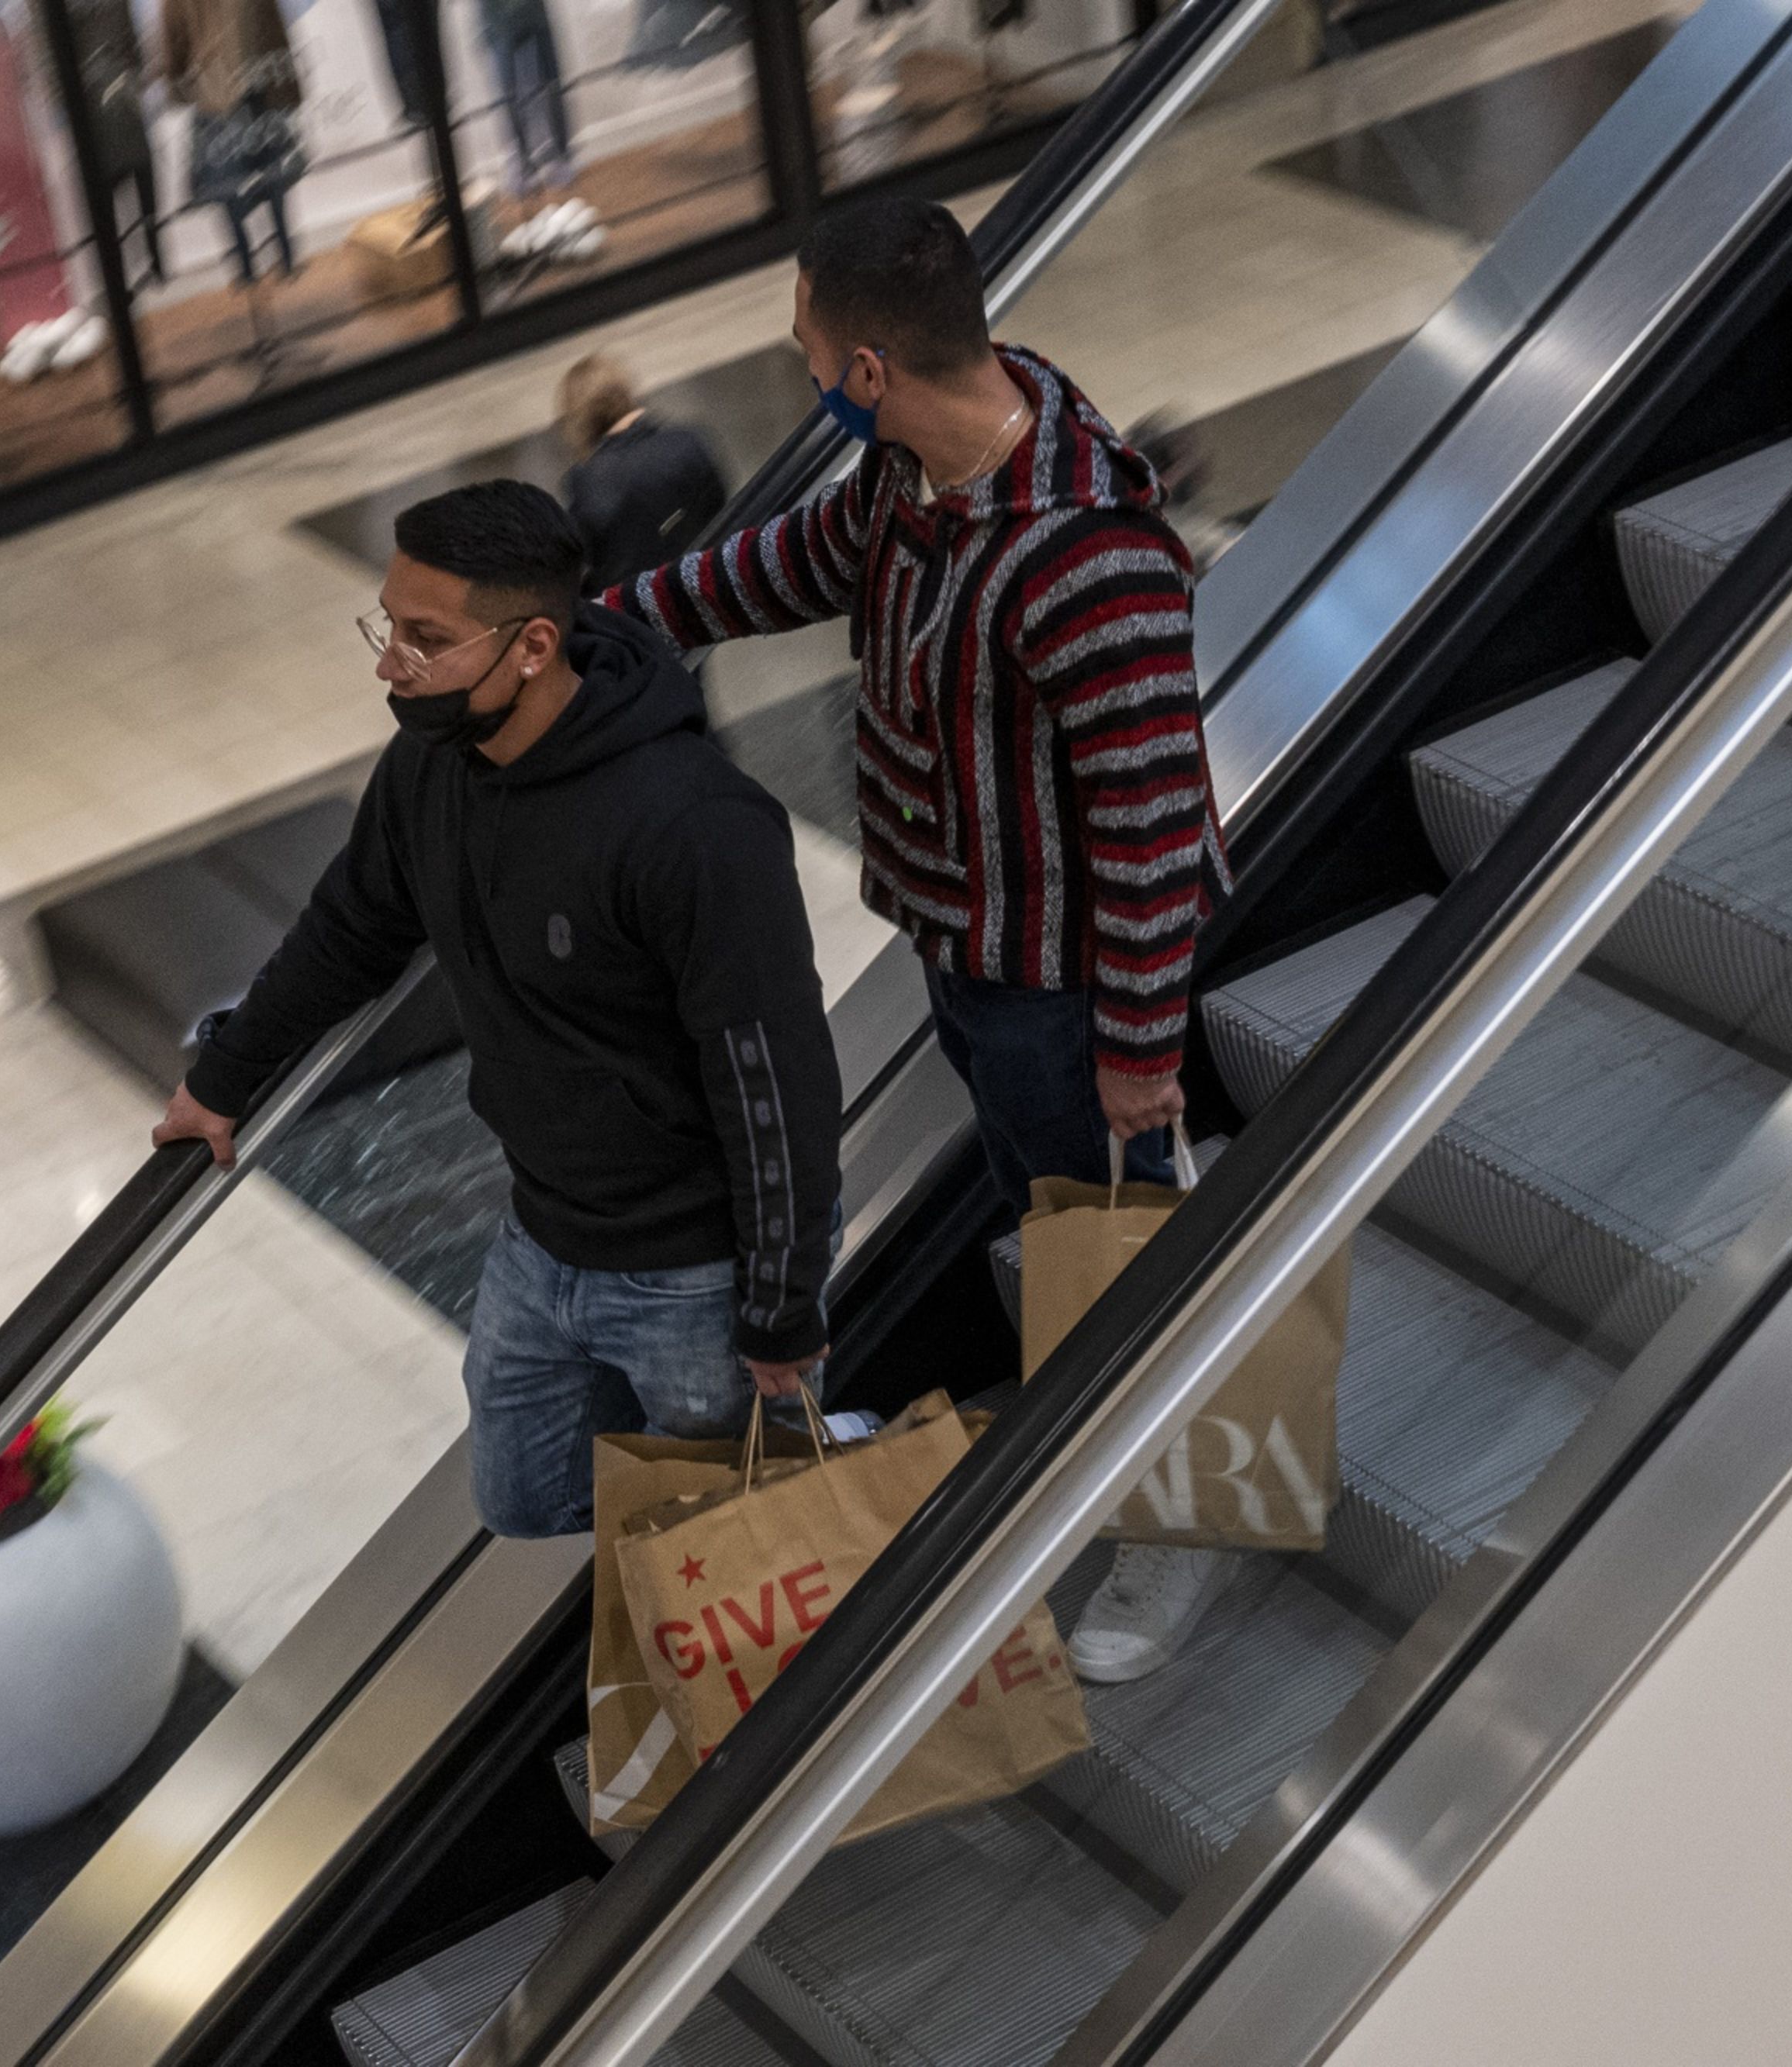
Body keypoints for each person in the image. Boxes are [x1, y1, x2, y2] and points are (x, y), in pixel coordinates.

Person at [603, 195, 1237, 1686]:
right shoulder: (906, 478)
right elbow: (770, 569)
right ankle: (1093, 1432)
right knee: (1050, 1232)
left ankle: (1182, 1520)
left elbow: (1150, 826)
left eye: (808, 348)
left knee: (1115, 1254)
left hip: (1072, 990)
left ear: (869, 365)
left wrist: (1140, 1052)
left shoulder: (1087, 557)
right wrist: (602, 626)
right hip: (971, 944)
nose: (803, 371)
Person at [155, 481, 841, 1539]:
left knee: (738, 1525)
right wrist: (222, 1079)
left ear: (530, 647)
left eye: (425, 639)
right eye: (388, 626)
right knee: (523, 1497)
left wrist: (781, 1303)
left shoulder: (694, 824)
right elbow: (349, 929)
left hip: (690, 1268)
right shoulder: (430, 769)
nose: (391, 663)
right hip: (541, 1234)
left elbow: (772, 1076)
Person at [557, 352, 728, 594]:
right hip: (704, 591)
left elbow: (583, 560)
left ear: (577, 416)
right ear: (625, 391)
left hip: (635, 613)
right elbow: (722, 514)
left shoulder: (586, 481)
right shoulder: (689, 441)